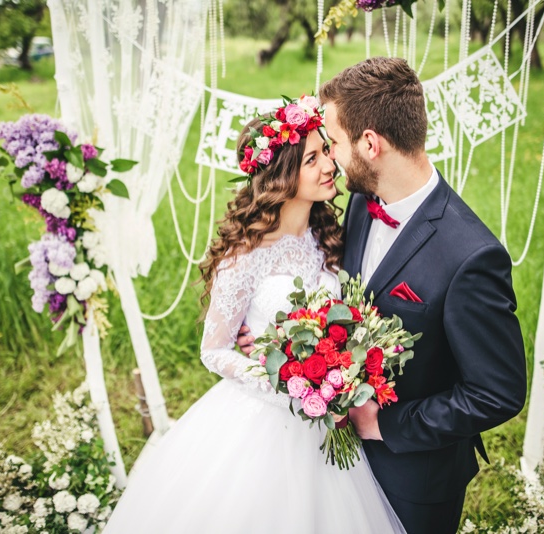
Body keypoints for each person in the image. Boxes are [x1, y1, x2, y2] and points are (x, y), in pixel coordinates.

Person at [237, 57, 527, 534]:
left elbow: (498, 392)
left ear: (370, 144)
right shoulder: (359, 201)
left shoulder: (472, 256)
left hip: (413, 477)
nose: (328, 157)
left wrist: (384, 425)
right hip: (329, 462)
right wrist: (281, 343)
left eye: (332, 143)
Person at [102, 96, 405, 534]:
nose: (329, 166)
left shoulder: (329, 237)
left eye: (326, 151)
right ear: (282, 175)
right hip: (268, 417)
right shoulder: (247, 256)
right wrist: (284, 380)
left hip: (329, 417)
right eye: (312, 159)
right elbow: (214, 350)